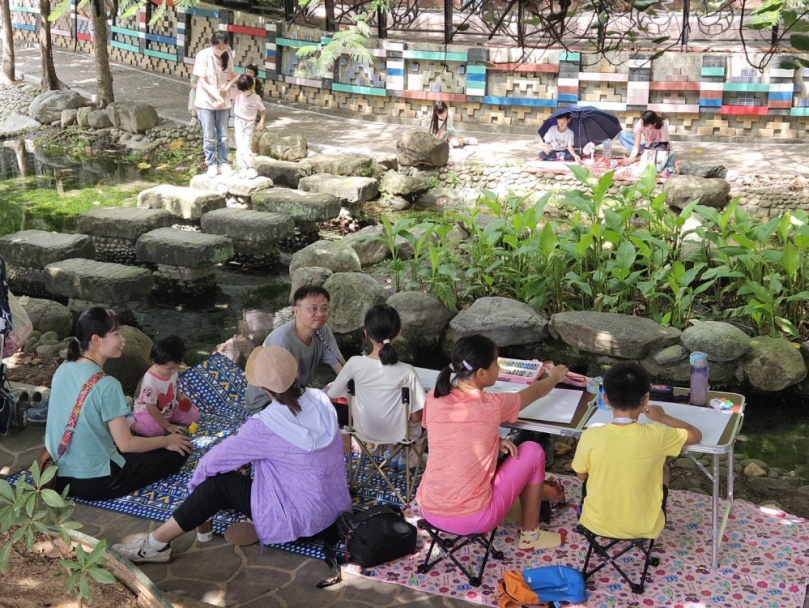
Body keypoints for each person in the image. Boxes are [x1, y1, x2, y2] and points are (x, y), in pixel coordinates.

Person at [112, 346, 352, 563]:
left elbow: (211, 462)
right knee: (246, 467)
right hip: (335, 514)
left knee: (216, 485)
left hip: (298, 524)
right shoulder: (321, 400)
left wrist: (197, 488)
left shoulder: (263, 426)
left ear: (259, 385)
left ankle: (155, 544)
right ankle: (249, 519)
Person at [416, 334, 569, 550]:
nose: (498, 369)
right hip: (474, 518)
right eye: (496, 364)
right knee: (533, 450)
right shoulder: (491, 404)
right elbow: (535, 391)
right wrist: (554, 377)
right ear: (480, 373)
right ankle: (530, 536)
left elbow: (450, 434)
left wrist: (493, 439)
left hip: (429, 509)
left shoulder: (434, 396)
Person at [45, 308, 191, 502]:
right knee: (179, 452)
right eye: (116, 334)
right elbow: (127, 444)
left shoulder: (63, 370)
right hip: (96, 482)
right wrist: (168, 441)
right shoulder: (107, 385)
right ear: (96, 340)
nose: (123, 339)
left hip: (59, 476)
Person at [572, 362, 702, 540]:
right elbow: (695, 435)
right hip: (644, 527)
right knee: (662, 469)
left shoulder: (591, 435)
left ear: (606, 399)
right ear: (645, 400)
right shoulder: (658, 434)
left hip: (595, 523)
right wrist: (662, 417)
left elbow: (582, 476)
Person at [327, 305, 425, 449]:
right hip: (400, 435)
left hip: (363, 431)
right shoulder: (407, 372)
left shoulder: (354, 364)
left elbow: (331, 395)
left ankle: (389, 453)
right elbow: (416, 417)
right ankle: (402, 456)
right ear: (399, 332)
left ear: (366, 333)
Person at [244, 286, 344, 416]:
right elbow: (280, 393)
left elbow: (341, 368)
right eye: (313, 309)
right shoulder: (280, 341)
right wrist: (321, 397)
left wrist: (354, 383)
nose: (320, 314)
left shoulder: (323, 331)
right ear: (296, 310)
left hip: (296, 395)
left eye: (324, 308)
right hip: (269, 403)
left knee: (346, 411)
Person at [130, 336, 200, 437]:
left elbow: (174, 388)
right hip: (148, 413)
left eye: (177, 367)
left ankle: (166, 421)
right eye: (169, 368)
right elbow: (151, 408)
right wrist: (168, 426)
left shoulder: (172, 372)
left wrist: (180, 398)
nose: (174, 371)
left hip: (169, 408)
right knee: (156, 432)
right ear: (154, 361)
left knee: (195, 416)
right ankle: (131, 423)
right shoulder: (150, 381)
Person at [193, 32, 237, 178]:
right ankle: (211, 163)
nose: (221, 49)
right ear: (211, 44)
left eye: (223, 47)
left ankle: (223, 162)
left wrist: (234, 79)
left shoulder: (227, 56)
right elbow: (202, 81)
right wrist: (216, 96)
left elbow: (230, 75)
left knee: (223, 135)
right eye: (218, 47)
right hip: (206, 102)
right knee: (209, 135)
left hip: (223, 103)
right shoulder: (203, 56)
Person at [233, 74, 266, 179]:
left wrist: (261, 121)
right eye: (241, 90)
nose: (243, 92)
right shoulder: (238, 93)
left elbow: (263, 110)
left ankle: (251, 167)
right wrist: (234, 79)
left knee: (246, 145)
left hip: (249, 123)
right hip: (238, 121)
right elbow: (224, 90)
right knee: (240, 145)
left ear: (251, 87)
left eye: (245, 90)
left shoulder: (256, 98)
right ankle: (242, 167)